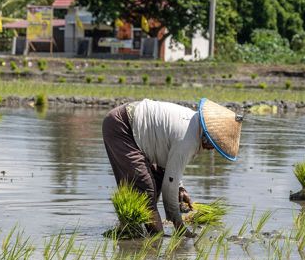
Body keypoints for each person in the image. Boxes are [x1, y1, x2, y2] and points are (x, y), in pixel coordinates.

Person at [102, 98, 242, 235]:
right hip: (122, 128)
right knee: (146, 190)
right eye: (215, 145)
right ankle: (154, 239)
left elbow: (170, 169)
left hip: (132, 128)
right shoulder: (189, 139)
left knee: (154, 181)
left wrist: (180, 187)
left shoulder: (194, 124)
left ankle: (130, 230)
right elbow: (169, 187)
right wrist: (179, 226)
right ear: (209, 135)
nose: (212, 149)